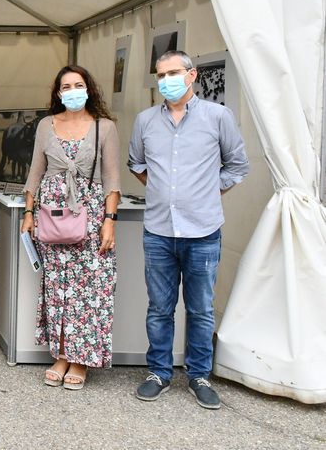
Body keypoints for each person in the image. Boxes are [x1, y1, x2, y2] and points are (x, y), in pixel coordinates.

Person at [129, 50, 249, 409]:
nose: (165, 80)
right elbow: (135, 161)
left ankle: (199, 376)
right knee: (159, 308)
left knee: (201, 310)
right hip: (159, 231)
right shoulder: (146, 120)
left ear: (192, 75)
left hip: (203, 231)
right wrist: (160, 188)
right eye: (160, 74)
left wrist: (209, 192)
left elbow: (238, 164)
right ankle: (159, 373)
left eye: (172, 72)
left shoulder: (218, 116)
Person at [20, 65, 121, 390]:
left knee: (89, 291)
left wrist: (110, 220)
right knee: (58, 287)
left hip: (90, 216)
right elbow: (35, 170)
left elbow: (112, 178)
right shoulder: (46, 125)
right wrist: (29, 211)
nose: (73, 90)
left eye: (78, 84)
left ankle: (80, 360)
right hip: (53, 214)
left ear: (88, 89)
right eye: (67, 86)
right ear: (58, 93)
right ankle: (61, 355)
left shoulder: (104, 127)